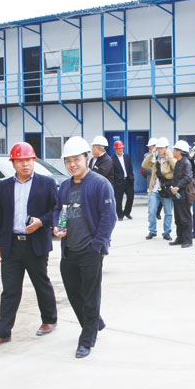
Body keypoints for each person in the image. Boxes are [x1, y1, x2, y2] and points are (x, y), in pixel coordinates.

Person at [0, 142, 58, 349]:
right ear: (13, 163)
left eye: (28, 160)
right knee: (10, 290)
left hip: (36, 244)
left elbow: (56, 210)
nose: (25, 164)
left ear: (33, 161)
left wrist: (41, 222)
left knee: (41, 283)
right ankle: (2, 332)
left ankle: (49, 319)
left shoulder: (46, 183)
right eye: (20, 161)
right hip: (11, 245)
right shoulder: (4, 186)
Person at [53, 136, 116, 358]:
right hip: (69, 249)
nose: (72, 165)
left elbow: (109, 217)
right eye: (68, 161)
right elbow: (58, 210)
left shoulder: (100, 184)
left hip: (90, 250)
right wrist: (58, 226)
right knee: (74, 293)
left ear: (87, 158)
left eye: (76, 159)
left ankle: (87, 339)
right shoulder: (64, 186)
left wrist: (97, 245)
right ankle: (94, 322)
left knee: (90, 296)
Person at [142, 137, 175, 241]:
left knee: (168, 212)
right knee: (151, 211)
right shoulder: (155, 158)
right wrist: (151, 154)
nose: (160, 150)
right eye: (158, 148)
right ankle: (152, 230)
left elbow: (176, 167)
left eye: (162, 148)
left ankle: (167, 232)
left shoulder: (170, 158)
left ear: (166, 148)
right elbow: (144, 165)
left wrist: (169, 156)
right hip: (155, 189)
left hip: (166, 189)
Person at [169, 140, 193, 248]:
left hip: (183, 194)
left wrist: (178, 186)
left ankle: (188, 240)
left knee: (185, 218)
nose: (173, 151)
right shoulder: (178, 162)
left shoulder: (186, 163)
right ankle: (180, 238)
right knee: (178, 218)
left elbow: (188, 177)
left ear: (180, 151)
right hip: (177, 195)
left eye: (175, 150)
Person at [111, 140, 134, 221]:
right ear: (115, 149)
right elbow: (112, 172)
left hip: (128, 180)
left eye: (121, 148)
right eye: (118, 149)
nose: (120, 150)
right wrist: (114, 181)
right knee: (118, 199)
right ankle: (120, 215)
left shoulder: (127, 156)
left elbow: (130, 168)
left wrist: (132, 177)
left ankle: (127, 212)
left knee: (130, 197)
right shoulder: (112, 159)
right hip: (118, 182)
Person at [142, 138, 163, 220]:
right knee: (151, 200)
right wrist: (155, 171)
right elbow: (145, 167)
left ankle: (158, 212)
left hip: (161, 181)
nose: (149, 148)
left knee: (161, 198)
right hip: (151, 180)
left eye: (150, 146)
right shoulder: (146, 155)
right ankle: (150, 215)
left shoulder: (161, 155)